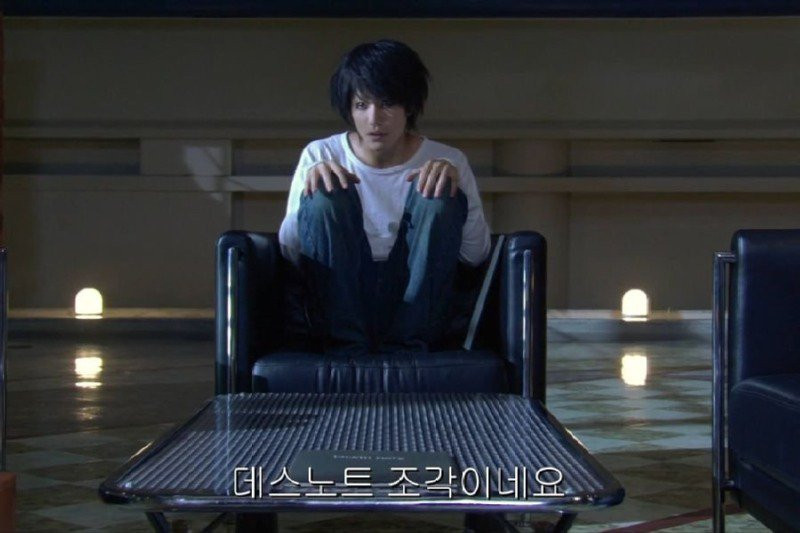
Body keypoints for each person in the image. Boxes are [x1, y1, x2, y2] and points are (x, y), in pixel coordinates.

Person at [279, 39, 490, 354]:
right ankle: (345, 347)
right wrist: (310, 196)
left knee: (437, 195)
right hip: (342, 294)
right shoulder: (321, 153)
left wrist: (455, 192)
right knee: (325, 196)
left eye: (387, 103)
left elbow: (475, 255)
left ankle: (408, 347)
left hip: (418, 303)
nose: (374, 119)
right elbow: (290, 250)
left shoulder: (448, 159)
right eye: (361, 105)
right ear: (349, 108)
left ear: (410, 106)